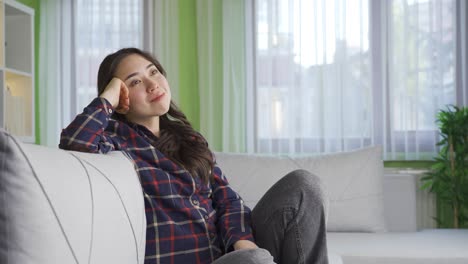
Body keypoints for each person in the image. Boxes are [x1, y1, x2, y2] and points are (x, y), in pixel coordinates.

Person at [59, 47, 329, 264]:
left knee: (304, 185)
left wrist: (242, 238)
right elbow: (74, 143)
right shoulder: (115, 144)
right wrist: (108, 96)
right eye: (135, 81)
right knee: (253, 260)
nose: (153, 84)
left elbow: (227, 198)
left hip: (229, 252)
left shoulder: (188, 138)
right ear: (122, 99)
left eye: (153, 72)